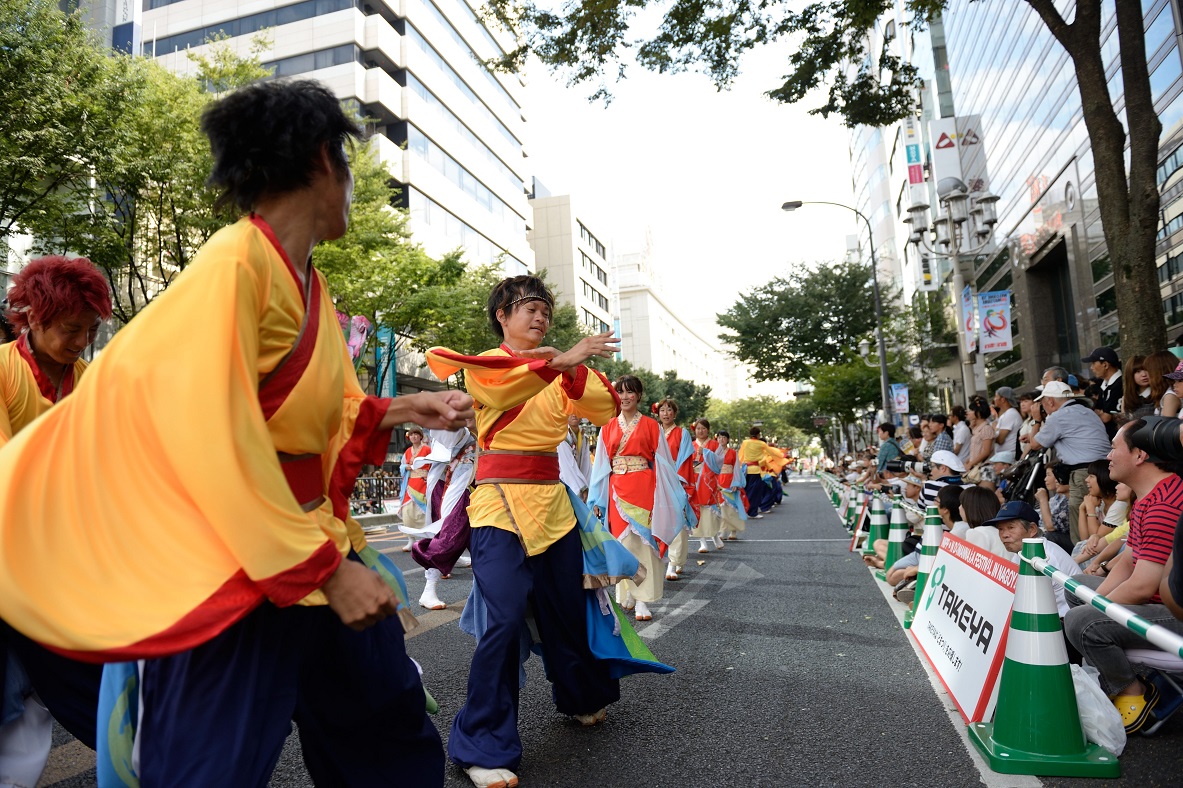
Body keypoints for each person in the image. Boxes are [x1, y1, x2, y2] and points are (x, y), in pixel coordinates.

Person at [0, 80, 476, 786]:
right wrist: (320, 572)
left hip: (305, 548)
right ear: (324, 160)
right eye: (348, 169)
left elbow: (297, 420)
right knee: (207, 766)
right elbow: (206, 432)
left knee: (386, 731)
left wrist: (399, 411)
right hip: (242, 564)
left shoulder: (306, 284)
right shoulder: (233, 264)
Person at [426, 276, 665, 788]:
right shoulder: (485, 366)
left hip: (554, 505)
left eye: (544, 311)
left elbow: (601, 408)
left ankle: (581, 696)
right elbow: (504, 387)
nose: (538, 317)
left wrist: (573, 366)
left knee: (565, 610)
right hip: (495, 506)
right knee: (505, 615)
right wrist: (559, 361)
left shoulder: (561, 370)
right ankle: (481, 742)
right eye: (527, 308)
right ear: (501, 315)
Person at [0, 256, 112, 787]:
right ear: (33, 318)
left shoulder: (93, 385)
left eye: (90, 331)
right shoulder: (3, 371)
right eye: (71, 329)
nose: (81, 343)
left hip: (67, 567)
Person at [1065, 417, 1183, 734]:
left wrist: (1097, 609)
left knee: (1080, 621)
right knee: (1078, 588)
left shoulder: (1164, 505)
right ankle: (1118, 666)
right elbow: (1129, 562)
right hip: (1160, 601)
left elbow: (1143, 586)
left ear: (1140, 455)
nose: (1108, 456)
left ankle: (1132, 690)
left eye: (1114, 447)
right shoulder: (1148, 497)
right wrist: (1098, 598)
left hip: (1176, 614)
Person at [1029, 381, 1113, 543]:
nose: (1043, 409)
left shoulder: (1058, 417)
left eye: (1043, 404)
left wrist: (1037, 421)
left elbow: (1034, 444)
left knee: (1079, 512)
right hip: (1105, 469)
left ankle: (1081, 556)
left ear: (1051, 402)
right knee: (1099, 513)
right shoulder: (1088, 412)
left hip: (1083, 472)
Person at [991, 500, 1082, 617]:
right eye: (1000, 529)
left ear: (1032, 529)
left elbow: (1027, 604)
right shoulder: (1021, 550)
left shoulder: (1045, 556)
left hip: (1062, 623)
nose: (1004, 535)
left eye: (1011, 527)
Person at [656, 398, 698, 577]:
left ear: (675, 412)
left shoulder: (682, 433)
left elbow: (685, 461)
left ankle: (673, 563)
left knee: (677, 520)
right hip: (656, 481)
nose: (665, 414)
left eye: (669, 410)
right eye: (662, 410)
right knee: (658, 520)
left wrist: (679, 481)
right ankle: (660, 559)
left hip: (675, 480)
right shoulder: (653, 431)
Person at [399, 426, 432, 552]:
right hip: (410, 484)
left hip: (423, 483)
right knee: (407, 512)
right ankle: (411, 540)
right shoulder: (408, 451)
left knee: (422, 513)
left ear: (420, 436)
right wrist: (405, 467)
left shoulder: (427, 449)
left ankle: (424, 540)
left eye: (416, 434)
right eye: (411, 435)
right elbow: (402, 465)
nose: (413, 437)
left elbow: (434, 465)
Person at [1082, 346, 1122, 436]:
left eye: (1093, 363)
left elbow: (1106, 418)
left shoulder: (1119, 384)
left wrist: (1101, 415)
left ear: (1105, 365)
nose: (1091, 368)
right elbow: (1098, 410)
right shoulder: (1104, 384)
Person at [959, 485, 1007, 558]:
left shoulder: (978, 532)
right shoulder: (999, 531)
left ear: (971, 508)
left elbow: (970, 565)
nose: (959, 507)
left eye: (962, 504)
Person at [1144, 350, 1181, 417]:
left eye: (1149, 371)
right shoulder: (1167, 392)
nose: (1146, 374)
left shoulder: (1170, 395)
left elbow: (1166, 425)